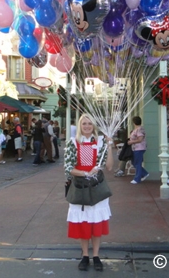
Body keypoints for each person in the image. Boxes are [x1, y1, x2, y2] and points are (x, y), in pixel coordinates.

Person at [64, 114, 113, 271]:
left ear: (93, 125)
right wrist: (86, 173)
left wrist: (110, 146)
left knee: (96, 223)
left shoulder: (100, 143)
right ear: (79, 125)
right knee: (83, 224)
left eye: (89, 123)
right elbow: (69, 169)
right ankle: (85, 255)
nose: (86, 126)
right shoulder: (73, 143)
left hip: (97, 188)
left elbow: (109, 167)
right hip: (80, 188)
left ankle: (96, 255)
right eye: (84, 123)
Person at [128, 116, 149, 184]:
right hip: (135, 148)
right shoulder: (137, 129)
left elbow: (140, 139)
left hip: (139, 148)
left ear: (134, 122)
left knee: (137, 163)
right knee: (134, 162)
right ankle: (144, 173)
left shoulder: (139, 129)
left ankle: (137, 178)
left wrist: (131, 142)